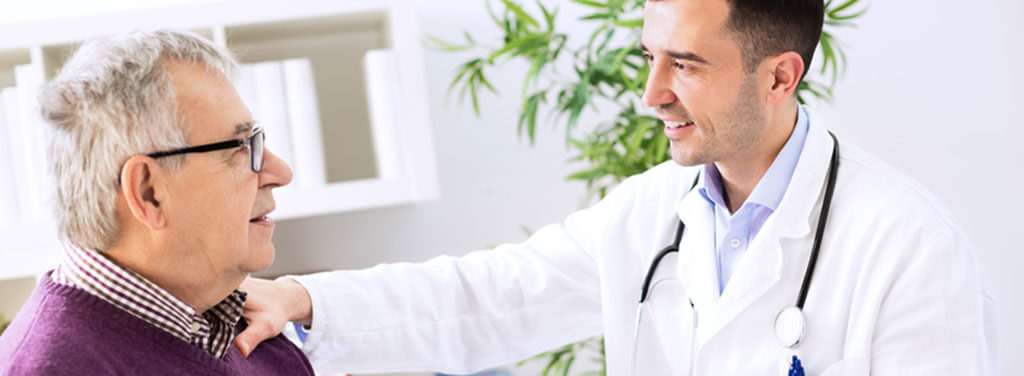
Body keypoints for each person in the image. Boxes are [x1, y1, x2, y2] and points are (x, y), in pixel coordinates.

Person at [235, 0, 998, 374]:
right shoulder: (650, 214)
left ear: (779, 76)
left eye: (686, 65)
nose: (651, 92)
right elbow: (491, 296)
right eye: (650, 57)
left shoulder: (908, 249)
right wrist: (307, 299)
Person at [0, 30, 313, 375]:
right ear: (149, 192)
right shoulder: (52, 368)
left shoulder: (230, 320)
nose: (280, 172)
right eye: (240, 146)